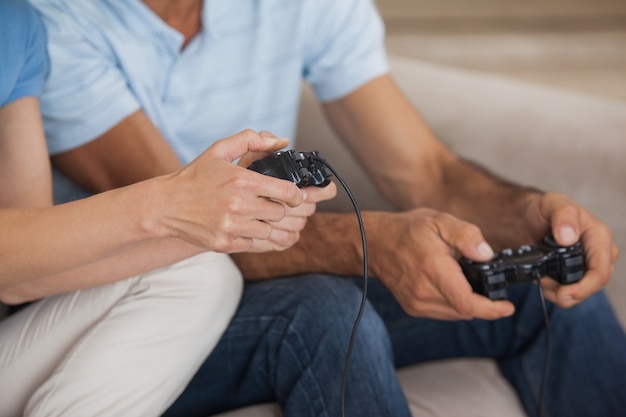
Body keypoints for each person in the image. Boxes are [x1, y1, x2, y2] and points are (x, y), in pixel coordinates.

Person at [28, 0, 626, 416]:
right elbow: (196, 227)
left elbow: (425, 170)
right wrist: (378, 245)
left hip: (254, 272)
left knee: (546, 281)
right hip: (146, 307)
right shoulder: (53, 24)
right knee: (325, 312)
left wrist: (522, 213)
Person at [0, 1, 334, 416]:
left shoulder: (18, 23)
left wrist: (226, 222)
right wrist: (166, 203)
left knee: (204, 273)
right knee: (322, 311)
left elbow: (20, 271)